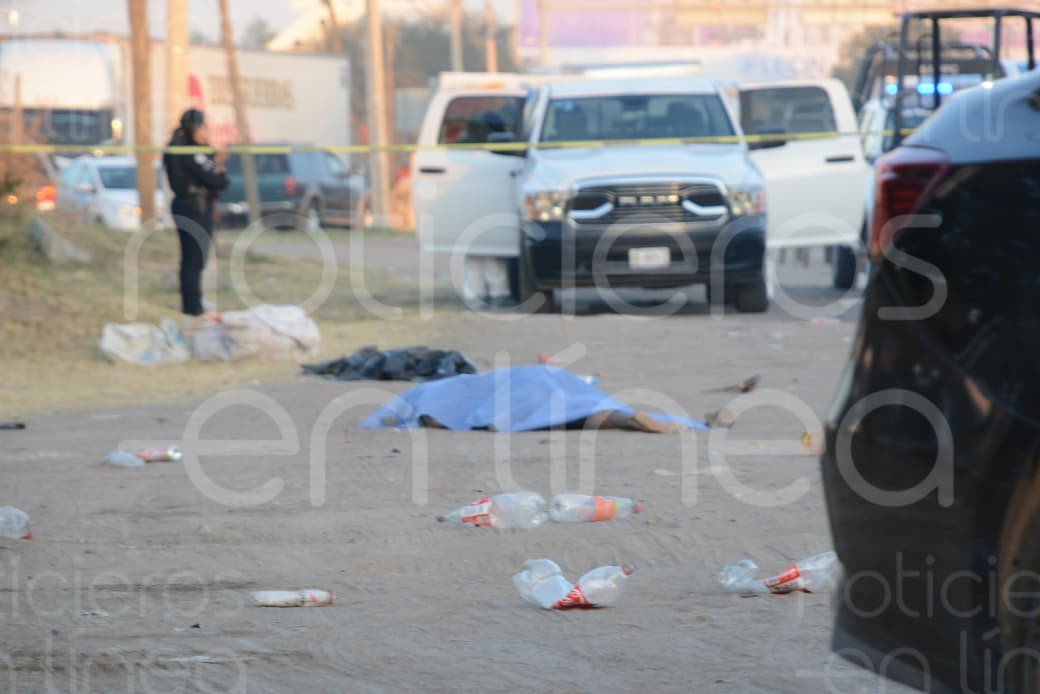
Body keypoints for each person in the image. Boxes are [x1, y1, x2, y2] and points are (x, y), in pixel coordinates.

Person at [163, 109, 229, 316]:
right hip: (195, 208)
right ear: (195, 127)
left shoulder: (174, 147)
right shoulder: (190, 151)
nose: (206, 131)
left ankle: (192, 303)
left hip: (184, 205)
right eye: (203, 127)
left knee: (190, 259)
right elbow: (217, 180)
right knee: (195, 260)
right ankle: (193, 306)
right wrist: (218, 166)